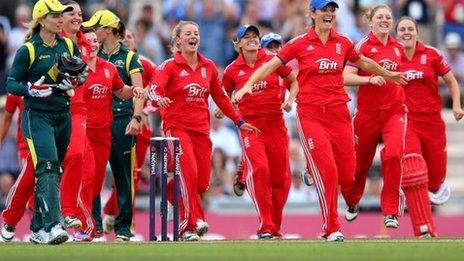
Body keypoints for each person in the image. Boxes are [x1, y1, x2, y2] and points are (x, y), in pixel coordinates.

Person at [233, 0, 405, 242]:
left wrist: (388, 75)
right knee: (328, 172)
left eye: (332, 10)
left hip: (339, 114)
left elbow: (363, 62)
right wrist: (248, 85)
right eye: (324, 10)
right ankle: (331, 228)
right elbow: (271, 65)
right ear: (312, 14)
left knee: (348, 174)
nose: (329, 14)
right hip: (312, 114)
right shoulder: (300, 43)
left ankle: (310, 169)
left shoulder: (343, 42)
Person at [147, 20, 258, 241]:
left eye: (196, 33)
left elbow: (220, 98)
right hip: (176, 127)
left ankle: (171, 193)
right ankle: (188, 225)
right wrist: (160, 99)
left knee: (200, 182)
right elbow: (153, 90)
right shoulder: (169, 66)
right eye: (188, 33)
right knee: (187, 172)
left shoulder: (208, 66)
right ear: (178, 40)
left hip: (201, 130)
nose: (193, 36)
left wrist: (238, 120)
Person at [5, 0, 79, 245]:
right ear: (41, 19)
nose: (60, 19)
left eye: (61, 15)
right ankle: (53, 224)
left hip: (62, 114)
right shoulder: (29, 50)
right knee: (47, 166)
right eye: (55, 15)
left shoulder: (67, 44)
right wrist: (30, 89)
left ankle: (37, 228)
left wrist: (74, 84)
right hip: (37, 116)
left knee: (55, 169)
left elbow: (81, 73)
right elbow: (11, 83)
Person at [223, 25, 298, 239]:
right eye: (246, 37)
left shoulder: (273, 61)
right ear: (237, 44)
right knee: (261, 170)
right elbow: (224, 95)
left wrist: (290, 101)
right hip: (250, 126)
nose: (252, 39)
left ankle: (274, 225)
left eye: (255, 36)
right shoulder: (231, 70)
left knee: (279, 180)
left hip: (275, 124)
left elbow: (294, 82)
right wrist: (228, 109)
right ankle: (265, 225)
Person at [71, 28, 145, 242]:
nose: (93, 44)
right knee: (88, 177)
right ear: (82, 44)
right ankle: (88, 225)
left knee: (98, 181)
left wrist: (136, 91)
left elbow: (120, 91)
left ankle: (109, 227)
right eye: (89, 41)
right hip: (84, 131)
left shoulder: (109, 68)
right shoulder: (76, 68)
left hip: (105, 131)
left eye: (95, 40)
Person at [341, 4, 408, 229]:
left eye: (388, 17)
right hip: (367, 114)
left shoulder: (399, 47)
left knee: (395, 154)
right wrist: (369, 79)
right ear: (370, 21)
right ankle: (352, 201)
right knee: (360, 165)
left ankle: (391, 211)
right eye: (380, 17)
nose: (384, 20)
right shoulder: (360, 46)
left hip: (394, 111)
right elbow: (345, 76)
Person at [395, 16, 463, 237]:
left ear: (417, 32)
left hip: (433, 123)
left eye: (410, 29)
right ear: (397, 34)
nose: (406, 32)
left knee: (434, 181)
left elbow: (451, 81)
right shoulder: (392, 57)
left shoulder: (432, 54)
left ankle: (429, 201)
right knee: (415, 170)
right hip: (407, 122)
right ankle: (423, 228)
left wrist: (456, 105)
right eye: (402, 29)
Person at [102, 28, 156, 237]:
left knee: (132, 175)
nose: (126, 39)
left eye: (130, 36)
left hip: (140, 125)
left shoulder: (144, 63)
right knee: (120, 174)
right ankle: (112, 213)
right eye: (122, 36)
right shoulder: (105, 61)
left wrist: (144, 110)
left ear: (135, 41)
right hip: (111, 120)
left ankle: (120, 218)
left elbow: (157, 89)